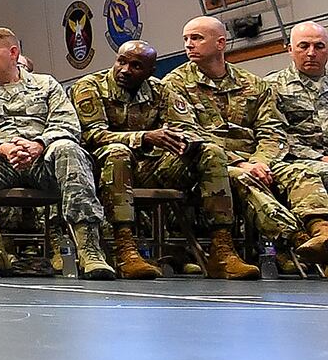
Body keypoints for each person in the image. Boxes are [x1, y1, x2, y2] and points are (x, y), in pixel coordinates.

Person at [72, 41, 255, 281]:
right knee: (117, 151)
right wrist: (144, 137)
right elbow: (92, 134)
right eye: (122, 61)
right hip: (104, 170)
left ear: (150, 71)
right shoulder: (90, 86)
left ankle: (222, 250)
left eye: (136, 65)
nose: (125, 70)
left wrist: (184, 141)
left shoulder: (161, 90)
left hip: (152, 168)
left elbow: (188, 127)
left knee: (211, 152)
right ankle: (125, 250)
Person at [164, 16, 328, 273]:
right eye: (186, 39)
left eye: (196, 38)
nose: (189, 45)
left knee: (301, 171)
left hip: (259, 160)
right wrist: (240, 162)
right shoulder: (174, 84)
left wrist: (260, 161)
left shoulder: (253, 84)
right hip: (209, 165)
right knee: (242, 178)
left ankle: (322, 232)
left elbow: (272, 131)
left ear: (220, 43)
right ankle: (298, 241)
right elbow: (187, 133)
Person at [0, 27, 112, 279]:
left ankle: (89, 250)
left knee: (69, 148)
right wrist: (3, 148)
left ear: (13, 52)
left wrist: (39, 144)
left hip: (42, 160)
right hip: (0, 163)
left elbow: (67, 124)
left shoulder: (46, 84)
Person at [261, 20, 328, 267]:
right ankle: (321, 237)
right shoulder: (271, 86)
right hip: (291, 161)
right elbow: (275, 133)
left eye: (319, 46)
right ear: (289, 49)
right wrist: (318, 157)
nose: (311, 53)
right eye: (303, 46)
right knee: (317, 172)